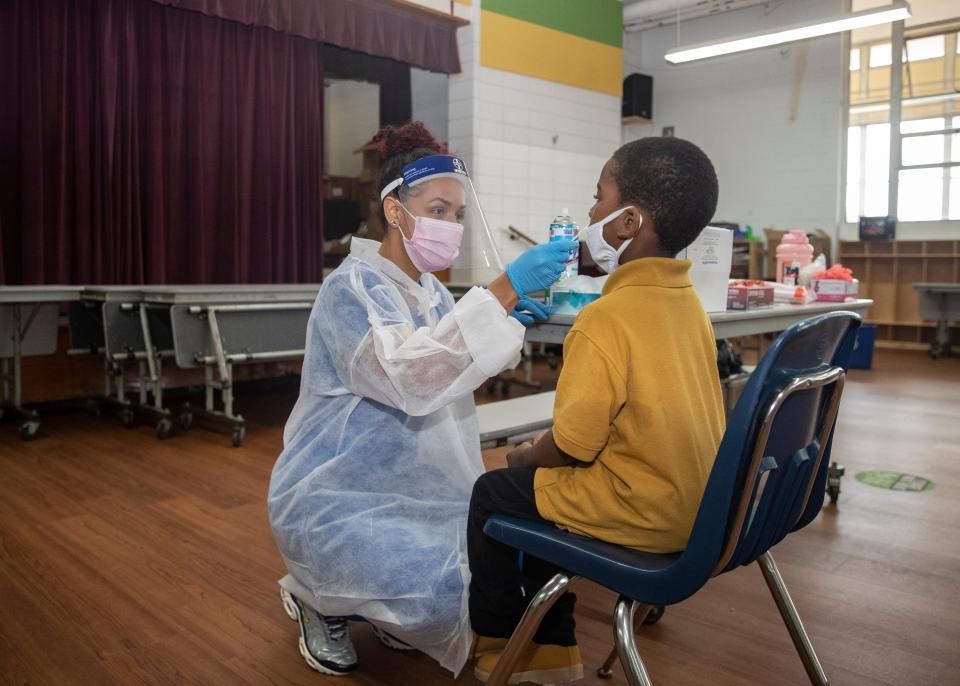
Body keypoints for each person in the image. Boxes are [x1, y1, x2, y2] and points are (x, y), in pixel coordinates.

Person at [267, 121, 576, 677]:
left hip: (419, 493)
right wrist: (503, 290)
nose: (450, 226)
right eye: (437, 210)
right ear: (394, 210)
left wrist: (505, 319)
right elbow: (411, 378)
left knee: (480, 579)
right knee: (443, 590)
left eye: (457, 214)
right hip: (336, 497)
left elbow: (452, 366)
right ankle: (317, 598)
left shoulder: (430, 291)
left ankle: (379, 607)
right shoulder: (350, 291)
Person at [468, 137, 726, 684]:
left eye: (597, 197)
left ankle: (509, 645)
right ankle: (552, 642)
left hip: (644, 514)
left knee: (496, 491)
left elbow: (571, 445)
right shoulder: (691, 308)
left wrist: (522, 455)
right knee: (547, 490)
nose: (588, 213)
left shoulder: (605, 318)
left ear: (628, 222)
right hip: (702, 509)